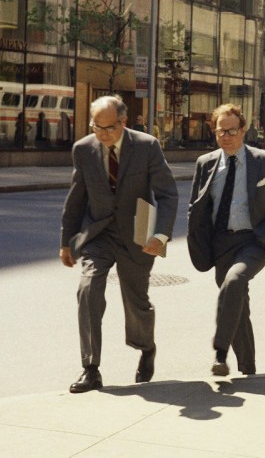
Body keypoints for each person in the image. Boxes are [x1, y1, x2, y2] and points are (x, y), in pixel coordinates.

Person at [60, 95, 178, 393]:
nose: (102, 134)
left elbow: (167, 194)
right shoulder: (83, 149)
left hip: (138, 233)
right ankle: (90, 368)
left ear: (124, 123)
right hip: (98, 234)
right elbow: (76, 197)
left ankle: (146, 347)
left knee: (136, 301)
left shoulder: (147, 146)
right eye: (96, 127)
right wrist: (66, 242)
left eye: (109, 128)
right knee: (88, 290)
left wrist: (160, 235)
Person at [187, 104, 265, 377]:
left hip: (255, 241)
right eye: (220, 131)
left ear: (243, 130)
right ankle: (248, 370)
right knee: (237, 306)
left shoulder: (264, 161)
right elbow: (196, 207)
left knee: (234, 282)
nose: (226, 136)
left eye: (232, 130)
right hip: (220, 245)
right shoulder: (206, 164)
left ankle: (220, 352)